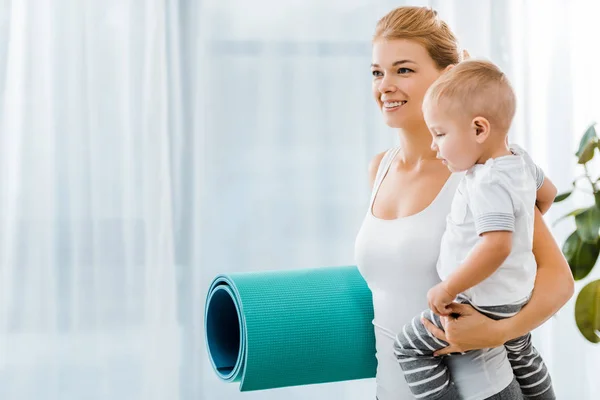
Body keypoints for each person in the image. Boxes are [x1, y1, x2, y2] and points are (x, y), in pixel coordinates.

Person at [354, 6, 574, 400]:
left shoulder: (480, 172)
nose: (385, 85)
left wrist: (499, 331)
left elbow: (558, 279)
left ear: (446, 75)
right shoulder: (379, 169)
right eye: (377, 72)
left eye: (403, 70)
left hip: (480, 389)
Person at [392, 59, 556, 400]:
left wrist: (448, 288)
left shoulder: (487, 182)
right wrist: (523, 223)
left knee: (408, 348)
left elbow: (496, 247)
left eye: (440, 134)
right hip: (516, 295)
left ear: (479, 129)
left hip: (481, 301)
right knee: (522, 353)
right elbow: (548, 194)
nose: (435, 146)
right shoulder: (520, 160)